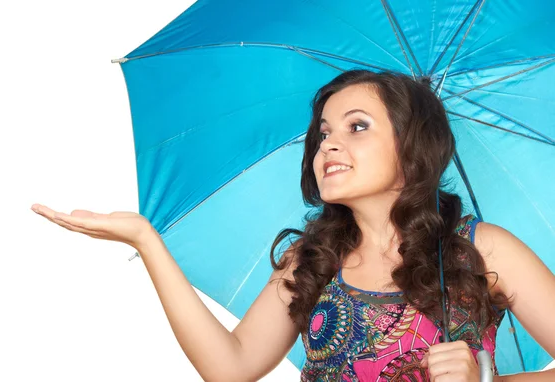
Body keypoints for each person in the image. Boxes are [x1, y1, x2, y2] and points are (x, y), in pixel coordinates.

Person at [31, 70, 555, 381]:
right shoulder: (313, 259)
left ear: (413, 149)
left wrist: (485, 378)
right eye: (324, 131)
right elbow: (230, 369)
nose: (328, 143)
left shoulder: (482, 251)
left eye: (357, 127)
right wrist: (148, 241)